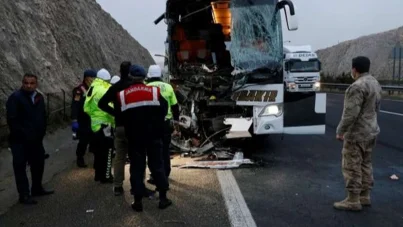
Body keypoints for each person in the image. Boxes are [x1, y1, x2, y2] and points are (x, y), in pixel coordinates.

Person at [119, 64, 172, 212]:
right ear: (144, 78)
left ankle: (137, 202)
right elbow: (164, 109)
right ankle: (163, 198)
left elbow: (120, 116)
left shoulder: (123, 95)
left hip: (135, 138)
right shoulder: (154, 92)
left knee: (136, 168)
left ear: (131, 77)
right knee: (157, 166)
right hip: (154, 136)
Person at [334, 56, 382, 211]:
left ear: (354, 69)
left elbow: (350, 114)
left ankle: (353, 200)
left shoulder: (356, 87)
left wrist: (341, 131)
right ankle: (365, 196)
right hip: (371, 131)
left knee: (352, 165)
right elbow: (376, 108)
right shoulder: (375, 83)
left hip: (357, 134)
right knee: (366, 163)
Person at [6, 73, 54, 205]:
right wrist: (23, 135)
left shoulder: (39, 98)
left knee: (38, 164)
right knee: (20, 167)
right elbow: (12, 120)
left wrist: (41, 132)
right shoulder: (15, 98)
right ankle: (24, 194)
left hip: (36, 140)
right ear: (22, 83)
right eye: (26, 83)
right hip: (20, 141)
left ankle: (37, 188)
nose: (28, 85)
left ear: (36, 84)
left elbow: (43, 116)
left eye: (31, 83)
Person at [145, 64, 180, 184]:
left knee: (152, 150)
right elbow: (175, 107)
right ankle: (166, 172)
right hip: (166, 123)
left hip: (150, 124)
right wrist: (176, 123)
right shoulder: (168, 87)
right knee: (165, 149)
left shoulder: (145, 87)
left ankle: (155, 174)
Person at [84, 68, 115, 183]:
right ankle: (106, 176)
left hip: (94, 125)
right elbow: (112, 108)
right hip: (105, 125)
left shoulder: (92, 88)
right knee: (107, 152)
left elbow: (86, 108)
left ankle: (98, 174)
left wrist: (95, 117)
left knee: (98, 152)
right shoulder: (105, 89)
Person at [71, 69, 97, 168]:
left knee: (95, 139)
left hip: (93, 118)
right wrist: (74, 119)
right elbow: (75, 105)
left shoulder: (94, 88)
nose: (94, 80)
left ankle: (95, 159)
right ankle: (80, 157)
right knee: (83, 140)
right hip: (83, 119)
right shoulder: (79, 90)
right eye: (92, 78)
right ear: (86, 78)